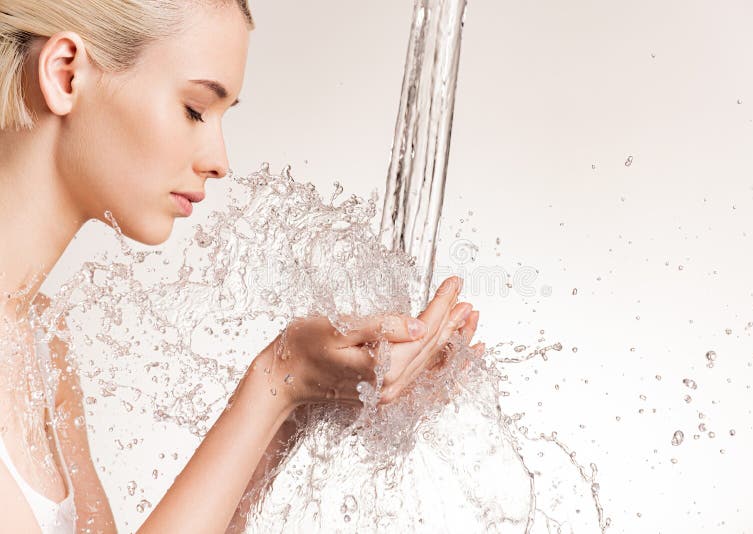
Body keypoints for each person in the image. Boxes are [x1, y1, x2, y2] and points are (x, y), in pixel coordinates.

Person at [0, 1, 483, 532]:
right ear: (65, 73)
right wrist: (277, 378)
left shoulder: (40, 342)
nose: (219, 159)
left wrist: (310, 397)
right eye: (194, 109)